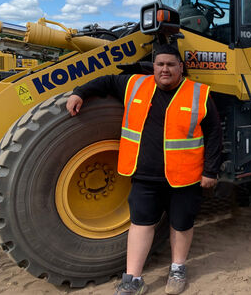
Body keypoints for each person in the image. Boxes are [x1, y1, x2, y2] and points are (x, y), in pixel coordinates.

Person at [66, 44, 222, 295]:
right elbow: (106, 81)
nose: (165, 69)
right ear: (154, 67)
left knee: (181, 224)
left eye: (171, 64)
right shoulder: (135, 84)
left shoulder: (199, 93)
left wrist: (210, 171)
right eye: (160, 64)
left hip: (184, 177)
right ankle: (133, 279)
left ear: (180, 67)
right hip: (145, 176)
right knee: (140, 224)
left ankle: (178, 269)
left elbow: (214, 133)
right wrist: (79, 93)